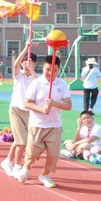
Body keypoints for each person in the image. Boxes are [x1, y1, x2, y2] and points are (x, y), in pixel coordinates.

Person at [18, 55, 72, 188]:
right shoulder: (36, 83)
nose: (50, 73)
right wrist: (42, 109)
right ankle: (26, 167)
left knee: (53, 154)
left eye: (54, 70)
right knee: (32, 153)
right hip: (37, 124)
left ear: (58, 70)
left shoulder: (62, 85)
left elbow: (68, 106)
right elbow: (27, 103)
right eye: (48, 70)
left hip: (54, 125)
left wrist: (54, 103)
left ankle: (45, 174)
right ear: (43, 68)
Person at [0, 41, 37, 178]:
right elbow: (15, 65)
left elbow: (38, 85)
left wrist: (31, 69)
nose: (27, 64)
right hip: (16, 110)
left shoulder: (36, 78)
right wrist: (26, 48)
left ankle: (8, 161)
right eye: (25, 62)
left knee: (21, 139)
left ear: (34, 64)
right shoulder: (18, 75)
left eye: (30, 62)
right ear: (22, 63)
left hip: (29, 112)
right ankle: (17, 166)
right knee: (22, 141)